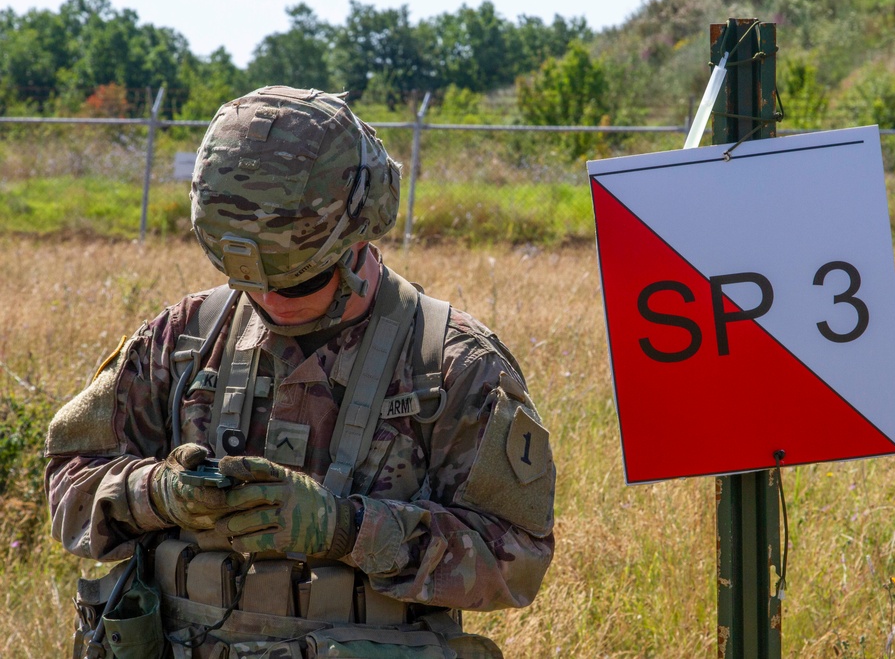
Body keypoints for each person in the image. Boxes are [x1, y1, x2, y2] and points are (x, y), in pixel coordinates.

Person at [45, 85, 556, 659]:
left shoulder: (451, 367)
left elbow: (519, 558)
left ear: (363, 231)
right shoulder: (182, 339)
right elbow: (68, 483)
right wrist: (157, 492)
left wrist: (347, 530)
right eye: (248, 280)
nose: (272, 299)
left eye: (300, 281)